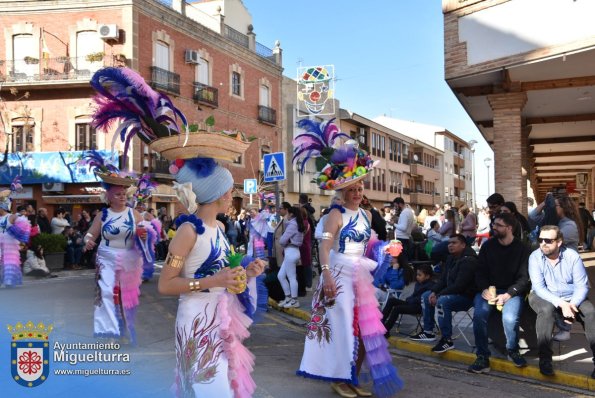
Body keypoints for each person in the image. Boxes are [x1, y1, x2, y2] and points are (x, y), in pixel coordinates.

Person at [90, 66, 266, 397]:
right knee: (203, 387)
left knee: (220, 387)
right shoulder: (189, 229)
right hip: (196, 320)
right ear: (214, 194)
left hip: (220, 317)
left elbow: (221, 270)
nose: (233, 197)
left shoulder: (219, 227)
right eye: (229, 192)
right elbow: (166, 284)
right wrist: (213, 282)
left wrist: (246, 271)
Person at [293, 119, 402, 397]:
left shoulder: (366, 215)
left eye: (359, 187)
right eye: (351, 189)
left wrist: (385, 249)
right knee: (342, 329)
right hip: (339, 275)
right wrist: (326, 276)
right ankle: (339, 377)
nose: (356, 193)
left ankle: (352, 376)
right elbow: (324, 248)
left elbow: (370, 245)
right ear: (342, 192)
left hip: (361, 276)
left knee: (366, 330)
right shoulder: (335, 215)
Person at [528, 225, 595, 377]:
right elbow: (539, 288)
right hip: (543, 295)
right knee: (546, 310)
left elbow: (582, 286)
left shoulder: (572, 256)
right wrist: (561, 304)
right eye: (540, 240)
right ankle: (545, 360)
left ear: (559, 242)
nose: (543, 243)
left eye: (548, 240)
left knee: (590, 312)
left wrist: (572, 305)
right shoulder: (535, 257)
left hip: (571, 297)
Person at [468, 212, 531, 373]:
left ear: (509, 228)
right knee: (480, 314)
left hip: (511, 292)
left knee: (510, 318)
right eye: (493, 224)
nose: (493, 227)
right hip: (489, 290)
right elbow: (479, 272)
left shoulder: (522, 249)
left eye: (498, 225)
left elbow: (524, 278)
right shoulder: (488, 246)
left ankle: (512, 349)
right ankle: (482, 356)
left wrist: (509, 294)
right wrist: (485, 289)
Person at [411, 234, 477, 353]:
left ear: (463, 245)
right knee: (426, 295)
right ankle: (428, 332)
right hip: (452, 293)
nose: (450, 245)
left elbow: (459, 285)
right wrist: (434, 291)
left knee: (442, 301)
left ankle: (447, 339)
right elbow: (442, 280)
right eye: (449, 243)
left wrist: (439, 294)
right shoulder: (451, 258)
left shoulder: (469, 260)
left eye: (454, 243)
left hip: (466, 297)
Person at [382, 264, 433, 338]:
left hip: (418, 307)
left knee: (397, 308)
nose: (417, 277)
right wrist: (409, 299)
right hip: (411, 303)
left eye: (420, 275)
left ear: (427, 276)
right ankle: (380, 323)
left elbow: (420, 299)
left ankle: (386, 330)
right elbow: (413, 295)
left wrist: (410, 300)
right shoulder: (418, 284)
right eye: (417, 275)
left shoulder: (430, 285)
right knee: (391, 300)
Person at [0, 188, 31, 287]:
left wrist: (13, 231)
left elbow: (24, 223)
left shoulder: (12, 216)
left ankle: (9, 281)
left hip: (9, 243)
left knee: (9, 261)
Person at [278, 206, 305, 308]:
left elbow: (282, 240)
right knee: (281, 276)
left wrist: (284, 242)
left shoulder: (292, 224)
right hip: (293, 251)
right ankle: (289, 298)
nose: (286, 215)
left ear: (291, 214)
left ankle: (294, 300)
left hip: (291, 252)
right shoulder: (296, 223)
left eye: (288, 213)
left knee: (291, 277)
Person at [393, 197, 416, 265]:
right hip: (405, 238)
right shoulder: (409, 211)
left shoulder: (404, 213)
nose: (395, 208)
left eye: (396, 206)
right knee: (404, 260)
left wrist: (393, 224)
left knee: (402, 261)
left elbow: (403, 227)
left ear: (400, 204)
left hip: (401, 238)